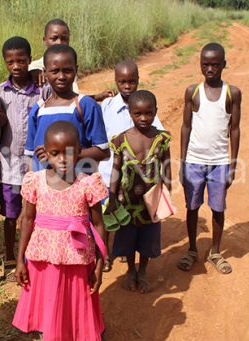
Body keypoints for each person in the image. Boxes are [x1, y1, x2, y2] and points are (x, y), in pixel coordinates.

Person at [13, 121, 107, 340]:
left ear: (80, 151)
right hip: (42, 259)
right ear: (45, 153)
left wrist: (100, 265)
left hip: (77, 258)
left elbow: (100, 225)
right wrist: (20, 260)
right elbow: (27, 220)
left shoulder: (88, 184)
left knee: (73, 304)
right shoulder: (34, 181)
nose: (62, 159)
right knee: (48, 302)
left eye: (69, 153)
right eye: (55, 153)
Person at [178, 42, 241, 275]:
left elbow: (235, 129)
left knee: (217, 208)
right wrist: (182, 162)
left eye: (216, 64)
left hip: (220, 163)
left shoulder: (232, 93)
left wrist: (233, 164)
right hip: (194, 160)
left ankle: (215, 251)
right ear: (200, 65)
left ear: (223, 64)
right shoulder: (192, 92)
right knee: (192, 206)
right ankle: (192, 249)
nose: (211, 69)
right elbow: (185, 127)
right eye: (206, 64)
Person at [99, 60, 165, 272]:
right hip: (111, 172)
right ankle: (105, 255)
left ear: (138, 80)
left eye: (132, 81)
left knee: (135, 221)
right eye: (122, 82)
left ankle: (132, 257)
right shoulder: (107, 107)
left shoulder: (146, 103)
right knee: (108, 215)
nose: (127, 86)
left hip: (142, 182)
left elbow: (159, 140)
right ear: (116, 81)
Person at [106, 90, 171, 293]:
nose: (143, 118)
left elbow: (166, 166)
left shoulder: (161, 139)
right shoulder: (120, 140)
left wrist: (166, 191)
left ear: (155, 112)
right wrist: (112, 196)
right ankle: (131, 270)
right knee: (127, 238)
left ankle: (142, 271)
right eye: (138, 114)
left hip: (150, 203)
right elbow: (115, 169)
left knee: (147, 239)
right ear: (130, 113)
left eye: (148, 113)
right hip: (127, 202)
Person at [0, 36, 41, 279]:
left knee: (34, 212)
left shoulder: (41, 92)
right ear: (5, 63)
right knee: (11, 214)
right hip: (10, 166)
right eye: (10, 62)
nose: (16, 66)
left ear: (29, 60)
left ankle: (30, 255)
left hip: (34, 167)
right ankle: (10, 256)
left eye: (21, 61)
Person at [24, 44, 109, 172]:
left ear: (76, 70)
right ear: (45, 72)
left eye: (67, 71)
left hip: (77, 186)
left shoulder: (86, 106)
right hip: (44, 187)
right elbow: (31, 156)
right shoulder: (38, 109)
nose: (61, 76)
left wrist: (62, 155)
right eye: (55, 71)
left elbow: (103, 151)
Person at [29, 18, 112, 102]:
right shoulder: (35, 68)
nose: (59, 43)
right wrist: (31, 72)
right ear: (45, 40)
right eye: (54, 38)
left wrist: (96, 97)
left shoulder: (68, 67)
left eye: (64, 39)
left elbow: (71, 99)